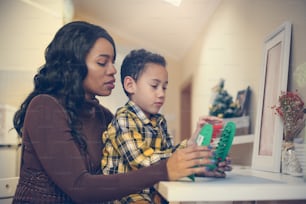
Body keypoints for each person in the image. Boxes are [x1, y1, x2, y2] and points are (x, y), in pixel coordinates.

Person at [12, 21, 231, 204]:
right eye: (102, 62)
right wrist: (166, 169)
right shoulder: (45, 107)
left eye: (113, 62)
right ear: (73, 65)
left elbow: (126, 173)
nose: (113, 70)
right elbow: (79, 186)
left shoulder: (105, 117)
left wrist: (194, 166)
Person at [101, 49, 225, 203]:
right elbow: (142, 162)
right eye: (154, 86)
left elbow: (169, 156)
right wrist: (188, 158)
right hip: (126, 195)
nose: (161, 93)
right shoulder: (123, 119)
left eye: (164, 87)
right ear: (130, 85)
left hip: (154, 190)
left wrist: (194, 144)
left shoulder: (160, 121)